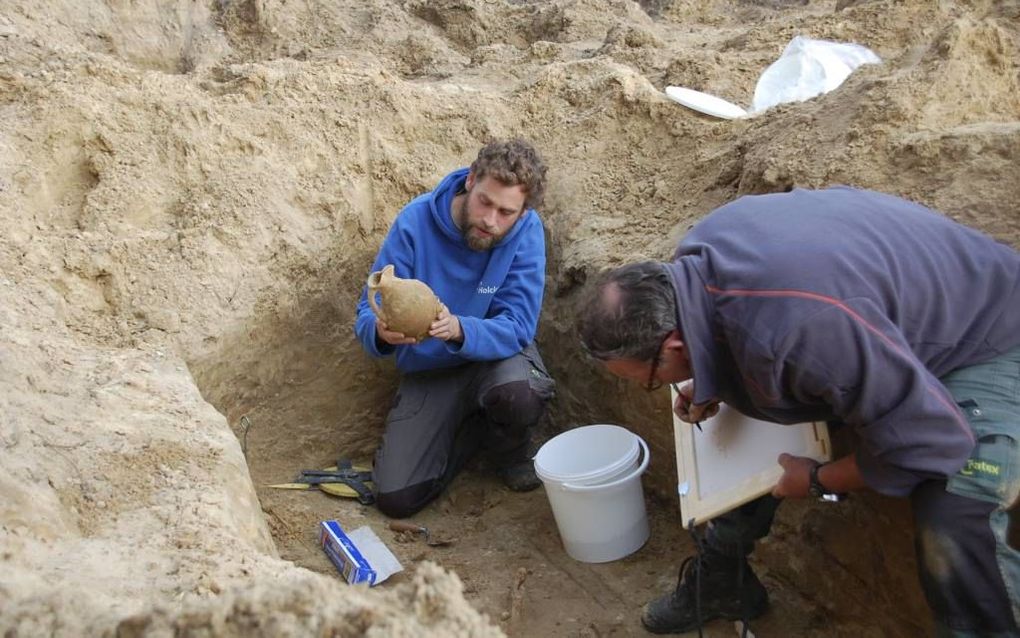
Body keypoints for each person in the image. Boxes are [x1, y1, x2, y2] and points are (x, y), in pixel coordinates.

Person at [578, 186, 1020, 636]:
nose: (661, 386)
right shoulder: (701, 259)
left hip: (990, 333)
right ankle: (722, 581)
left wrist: (815, 479)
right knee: (746, 416)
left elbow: (931, 444)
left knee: (957, 513)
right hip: (880, 320)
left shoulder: (799, 335)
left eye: (654, 378)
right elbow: (764, 335)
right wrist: (710, 381)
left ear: (673, 344)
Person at [355, 139, 555, 519]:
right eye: (485, 202)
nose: (491, 221)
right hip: (431, 370)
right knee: (396, 499)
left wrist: (459, 328)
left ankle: (510, 451)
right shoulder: (415, 222)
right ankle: (470, 433)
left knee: (518, 394)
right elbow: (367, 308)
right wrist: (381, 334)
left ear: (523, 211)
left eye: (506, 212)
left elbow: (518, 325)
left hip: (496, 359)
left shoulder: (527, 233)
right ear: (470, 180)